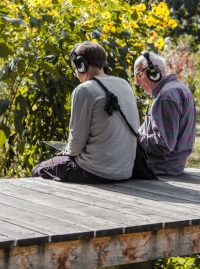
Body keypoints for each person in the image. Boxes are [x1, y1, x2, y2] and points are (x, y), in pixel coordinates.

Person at [32, 41, 140, 183]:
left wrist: (63, 153)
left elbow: (75, 147)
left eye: (75, 68)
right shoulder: (124, 84)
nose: (75, 73)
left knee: (39, 169)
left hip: (94, 170)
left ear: (81, 65)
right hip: (125, 171)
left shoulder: (84, 90)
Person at [133, 51, 196, 175]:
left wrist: (131, 139)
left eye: (138, 75)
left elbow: (163, 144)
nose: (137, 83)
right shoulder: (177, 89)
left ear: (153, 73)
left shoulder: (166, 96)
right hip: (169, 165)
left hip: (158, 167)